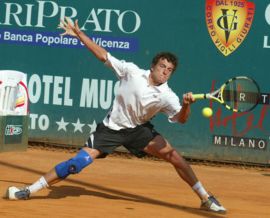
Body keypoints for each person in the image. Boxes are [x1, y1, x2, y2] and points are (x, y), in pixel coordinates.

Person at [6, 17, 226, 213]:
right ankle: (29, 190)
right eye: (162, 66)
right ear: (153, 66)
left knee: (175, 157)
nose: (165, 72)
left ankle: (205, 198)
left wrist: (187, 105)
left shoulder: (167, 95)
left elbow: (181, 119)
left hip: (138, 130)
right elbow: (104, 56)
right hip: (110, 129)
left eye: (169, 70)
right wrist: (80, 35)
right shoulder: (131, 71)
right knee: (77, 163)